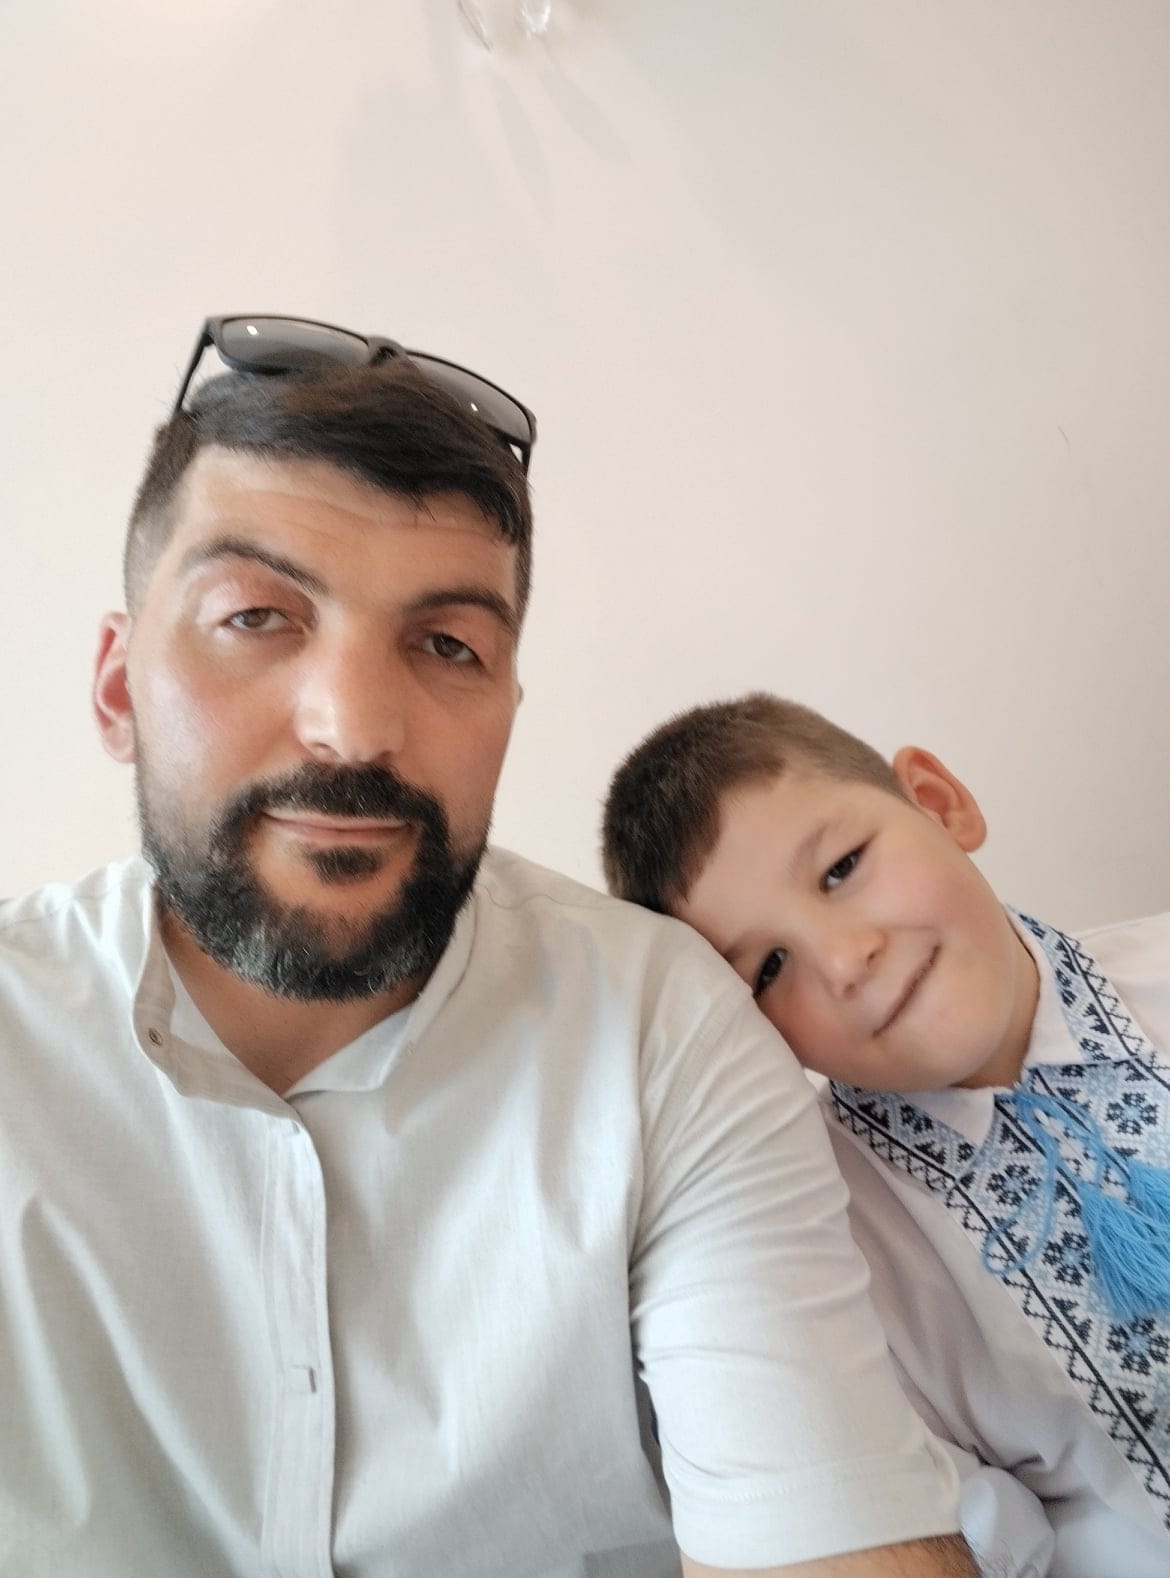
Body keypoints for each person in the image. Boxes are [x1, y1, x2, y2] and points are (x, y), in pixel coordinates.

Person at [0, 317, 975, 1578]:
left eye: (448, 645)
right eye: (257, 616)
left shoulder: (660, 1033)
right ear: (118, 689)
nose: (354, 728)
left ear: (508, 706)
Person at [602, 691, 1170, 1578]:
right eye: (770, 967)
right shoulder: (828, 1256)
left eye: (840, 869)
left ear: (939, 803)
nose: (844, 958)